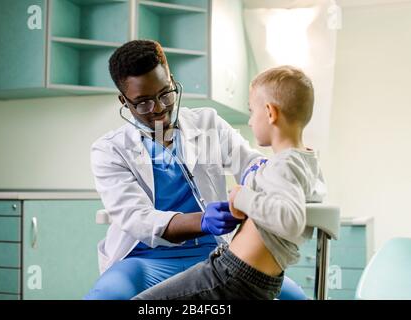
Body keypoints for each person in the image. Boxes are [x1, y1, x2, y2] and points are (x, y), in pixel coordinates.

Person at [84, 40, 306, 300]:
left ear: (172, 80)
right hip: (145, 260)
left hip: (216, 255)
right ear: (125, 101)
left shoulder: (208, 123)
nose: (158, 109)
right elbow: (137, 217)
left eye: (165, 94)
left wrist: (271, 170)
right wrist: (202, 221)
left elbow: (248, 163)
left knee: (295, 298)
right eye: (143, 103)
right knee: (103, 298)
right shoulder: (110, 150)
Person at [134, 65, 327, 300]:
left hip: (233, 275)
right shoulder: (306, 163)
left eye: (251, 111)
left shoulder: (284, 165)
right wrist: (255, 182)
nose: (250, 120)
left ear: (270, 113)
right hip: (247, 276)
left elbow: (290, 219)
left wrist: (242, 196)